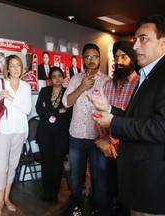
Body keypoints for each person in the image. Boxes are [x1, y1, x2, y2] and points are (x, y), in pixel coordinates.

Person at [88, 15, 165, 216]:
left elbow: (160, 128)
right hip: (138, 178)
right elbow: (139, 118)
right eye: (135, 40)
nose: (136, 46)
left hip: (152, 183)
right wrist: (110, 109)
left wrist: (113, 122)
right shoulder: (149, 75)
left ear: (163, 43)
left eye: (143, 39)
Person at [61, 43, 110, 216]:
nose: (91, 60)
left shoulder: (106, 81)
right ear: (83, 59)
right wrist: (81, 87)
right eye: (88, 57)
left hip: (97, 136)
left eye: (95, 56)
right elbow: (66, 103)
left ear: (99, 59)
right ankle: (76, 204)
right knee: (75, 175)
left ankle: (96, 204)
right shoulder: (75, 79)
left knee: (98, 175)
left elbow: (110, 109)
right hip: (76, 135)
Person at [0, 54, 32, 216]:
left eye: (19, 65)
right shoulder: (0, 83)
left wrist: (11, 97)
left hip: (20, 130)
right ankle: (0, 202)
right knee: (1, 168)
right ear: (7, 69)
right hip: (2, 130)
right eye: (13, 65)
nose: (16, 68)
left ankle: (7, 198)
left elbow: (27, 109)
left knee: (13, 166)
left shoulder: (25, 86)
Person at [94, 41, 140, 216]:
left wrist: (111, 140)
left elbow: (135, 121)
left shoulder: (139, 85)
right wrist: (103, 140)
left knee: (126, 194)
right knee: (104, 190)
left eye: (124, 56)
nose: (119, 61)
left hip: (127, 149)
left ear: (132, 58)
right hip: (104, 148)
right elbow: (98, 115)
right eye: (116, 57)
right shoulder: (107, 85)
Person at [35, 66, 71, 204]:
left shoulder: (68, 93)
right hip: (45, 133)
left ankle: (54, 193)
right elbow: (39, 109)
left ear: (63, 78)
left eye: (59, 76)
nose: (57, 78)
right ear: (50, 80)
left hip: (61, 133)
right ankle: (46, 192)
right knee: (46, 163)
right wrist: (57, 111)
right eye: (54, 76)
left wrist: (48, 110)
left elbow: (69, 112)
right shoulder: (44, 91)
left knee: (57, 164)